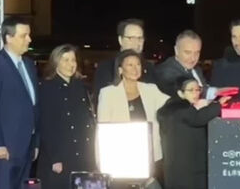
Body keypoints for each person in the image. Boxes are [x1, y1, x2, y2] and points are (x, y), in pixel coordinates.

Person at [0, 16, 39, 189]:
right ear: (8, 38)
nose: (29, 39)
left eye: (29, 35)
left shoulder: (28, 65)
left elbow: (33, 105)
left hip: (25, 148)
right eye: (24, 35)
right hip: (3, 150)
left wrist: (35, 142)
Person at [97, 49, 169, 187]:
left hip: (149, 159)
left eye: (138, 64)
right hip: (121, 158)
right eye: (130, 65)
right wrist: (102, 160)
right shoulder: (108, 93)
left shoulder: (151, 90)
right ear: (120, 69)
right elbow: (102, 130)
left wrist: (190, 96)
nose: (135, 68)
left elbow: (171, 104)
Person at [38, 44, 97, 188]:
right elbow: (46, 125)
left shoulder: (81, 86)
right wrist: (55, 158)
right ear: (56, 62)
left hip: (82, 152)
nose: (71, 64)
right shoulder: (47, 87)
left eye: (73, 60)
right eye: (65, 60)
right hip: (61, 153)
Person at [157, 76, 230, 189]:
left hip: (174, 167)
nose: (196, 93)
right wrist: (218, 104)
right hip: (188, 167)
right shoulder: (182, 110)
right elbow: (198, 118)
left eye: (198, 90)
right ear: (180, 93)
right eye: (191, 90)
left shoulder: (169, 108)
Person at [94, 18, 157, 99]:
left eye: (140, 38)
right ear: (120, 40)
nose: (137, 43)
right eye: (131, 38)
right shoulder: (106, 68)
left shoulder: (149, 68)